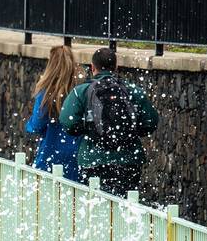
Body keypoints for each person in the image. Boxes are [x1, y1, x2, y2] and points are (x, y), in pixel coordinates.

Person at [59, 46, 158, 196]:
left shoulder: (81, 92)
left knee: (95, 205)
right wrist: (128, 131)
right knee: (126, 204)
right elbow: (150, 122)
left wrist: (90, 129)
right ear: (116, 67)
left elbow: (68, 122)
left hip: (92, 159)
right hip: (128, 159)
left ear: (92, 67)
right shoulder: (132, 91)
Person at [23, 44, 82, 182]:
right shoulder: (80, 91)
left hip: (51, 154)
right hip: (75, 156)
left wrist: (29, 125)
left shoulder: (46, 93)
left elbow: (36, 125)